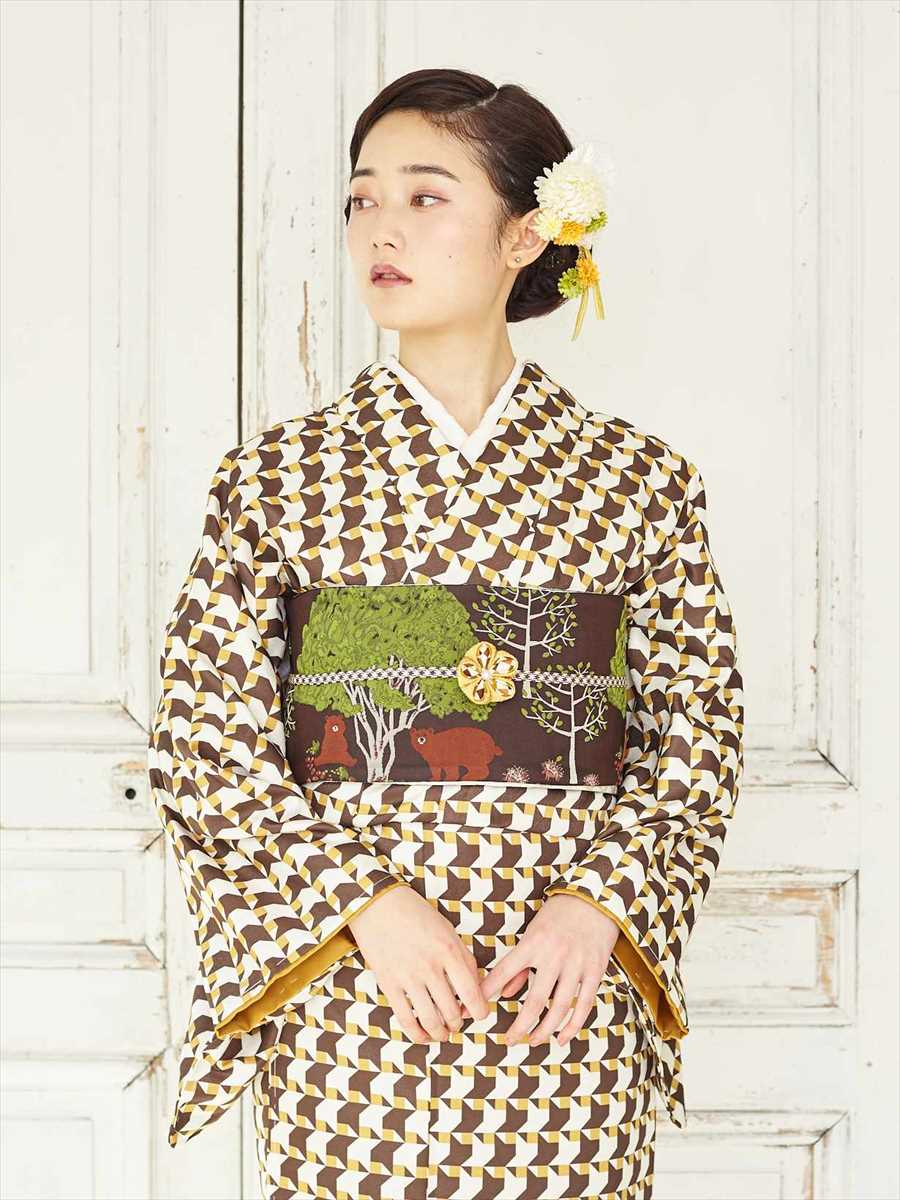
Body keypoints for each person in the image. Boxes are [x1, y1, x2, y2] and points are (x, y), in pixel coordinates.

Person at [148, 67, 744, 1200]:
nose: (382, 228)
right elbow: (205, 740)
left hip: (561, 993)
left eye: (426, 197)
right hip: (353, 992)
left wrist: (597, 908)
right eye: (363, 199)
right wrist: (365, 907)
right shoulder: (279, 480)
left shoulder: (639, 482)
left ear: (526, 234)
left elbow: (697, 733)